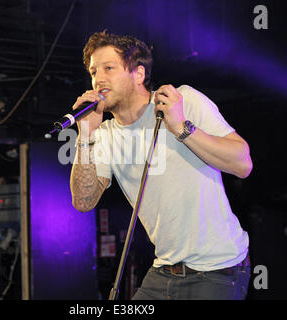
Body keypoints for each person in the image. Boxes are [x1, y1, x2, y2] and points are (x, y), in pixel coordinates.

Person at [70, 31, 253, 300]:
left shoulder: (182, 102)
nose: (99, 79)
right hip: (164, 270)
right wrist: (85, 136)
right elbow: (83, 201)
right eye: (94, 71)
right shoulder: (104, 134)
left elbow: (242, 164)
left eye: (109, 68)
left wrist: (181, 127)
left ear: (139, 74)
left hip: (217, 269)